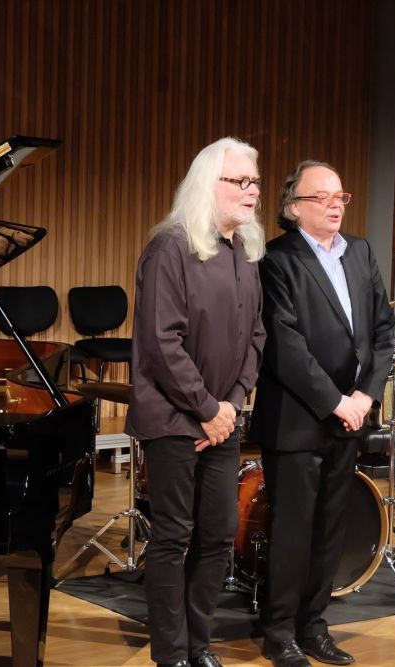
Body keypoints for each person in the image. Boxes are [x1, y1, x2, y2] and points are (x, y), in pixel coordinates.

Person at [125, 137, 267, 667]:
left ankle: (198, 644)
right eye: (240, 181)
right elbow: (162, 342)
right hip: (173, 418)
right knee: (172, 537)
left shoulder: (245, 251)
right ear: (209, 184)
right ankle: (171, 654)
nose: (252, 191)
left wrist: (230, 405)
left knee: (218, 536)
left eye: (255, 181)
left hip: (222, 419)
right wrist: (207, 409)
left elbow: (256, 336)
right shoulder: (171, 247)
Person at [250, 160, 395, 667]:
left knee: (330, 528)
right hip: (297, 418)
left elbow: (383, 331)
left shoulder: (361, 252)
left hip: (351, 416)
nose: (335, 204)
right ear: (294, 208)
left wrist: (365, 397)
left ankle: (313, 626)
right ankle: (278, 632)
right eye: (322, 196)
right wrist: (337, 401)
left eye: (340, 196)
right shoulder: (276, 260)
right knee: (293, 531)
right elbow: (284, 345)